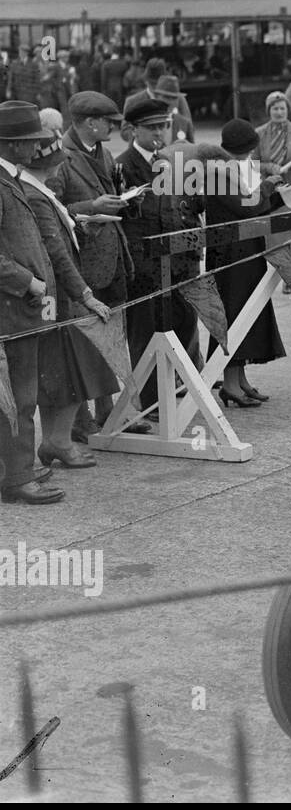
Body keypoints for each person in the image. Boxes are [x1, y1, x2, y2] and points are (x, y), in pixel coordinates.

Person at [20, 125, 117, 471]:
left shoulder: (35, 190)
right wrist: (86, 295)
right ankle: (58, 441)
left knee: (59, 369)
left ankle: (54, 440)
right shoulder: (35, 195)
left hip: (54, 298)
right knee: (69, 369)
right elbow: (57, 254)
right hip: (59, 299)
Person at [47, 91, 134, 430]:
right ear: (89, 123)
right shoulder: (60, 157)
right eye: (108, 121)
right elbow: (51, 212)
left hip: (112, 258)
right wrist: (93, 208)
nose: (113, 125)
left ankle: (108, 411)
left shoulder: (104, 153)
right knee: (83, 341)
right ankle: (80, 422)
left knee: (112, 336)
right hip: (81, 267)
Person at [118, 99, 205, 410]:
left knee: (184, 324)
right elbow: (123, 224)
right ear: (133, 130)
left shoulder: (171, 162)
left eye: (163, 126)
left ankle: (185, 389)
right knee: (146, 332)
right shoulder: (123, 166)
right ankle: (152, 400)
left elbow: (188, 208)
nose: (159, 132)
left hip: (179, 263)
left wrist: (193, 250)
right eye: (151, 127)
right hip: (144, 268)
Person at [0, 102, 66, 503]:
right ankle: (17, 478)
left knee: (20, 395)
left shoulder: (12, 179)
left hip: (19, 310)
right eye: (30, 142)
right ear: (11, 145)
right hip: (11, 310)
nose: (36, 148)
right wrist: (28, 283)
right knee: (20, 398)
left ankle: (16, 466)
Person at [206, 119, 291, 407]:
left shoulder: (239, 167)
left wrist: (278, 194)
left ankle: (240, 380)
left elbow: (255, 205)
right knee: (232, 314)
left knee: (247, 313)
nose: (252, 156)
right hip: (229, 254)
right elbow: (247, 206)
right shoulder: (217, 173)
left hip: (246, 249)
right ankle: (230, 384)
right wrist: (267, 188)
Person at [256, 91, 291, 183]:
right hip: (266, 184)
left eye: (282, 108)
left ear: (288, 110)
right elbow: (252, 163)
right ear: (269, 111)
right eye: (275, 109)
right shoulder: (259, 133)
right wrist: (270, 167)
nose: (279, 112)